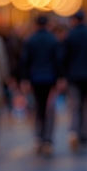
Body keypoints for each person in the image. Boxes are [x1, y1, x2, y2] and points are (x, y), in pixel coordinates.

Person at [60, 11, 87, 150]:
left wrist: (63, 76)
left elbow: (64, 57)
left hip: (73, 76)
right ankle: (85, 133)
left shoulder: (70, 35)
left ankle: (74, 131)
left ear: (74, 20)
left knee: (74, 105)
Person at [21, 15, 60, 156]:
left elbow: (25, 60)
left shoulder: (30, 39)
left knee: (38, 108)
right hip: (50, 78)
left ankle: (38, 136)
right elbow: (58, 60)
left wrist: (25, 79)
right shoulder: (53, 39)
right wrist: (60, 78)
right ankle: (48, 139)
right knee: (49, 109)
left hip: (35, 78)